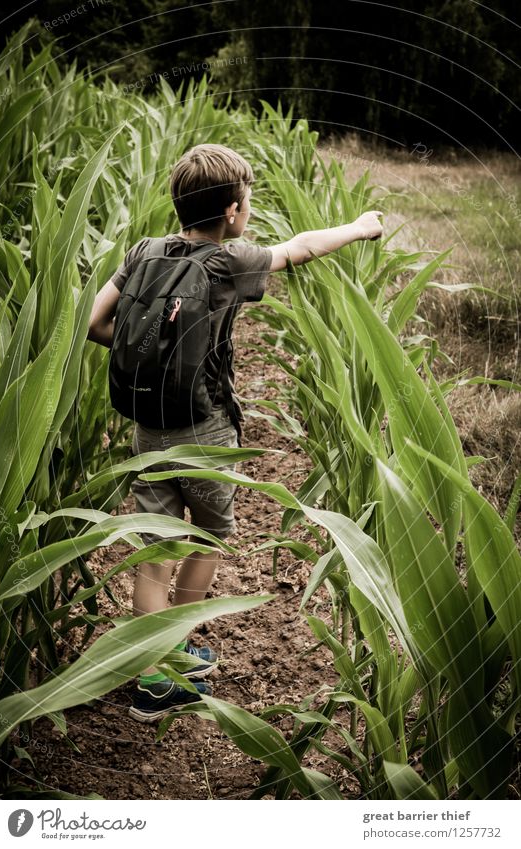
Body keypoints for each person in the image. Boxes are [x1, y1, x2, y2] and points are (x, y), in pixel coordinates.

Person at [87, 143, 383, 722]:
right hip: (206, 427)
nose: (248, 211)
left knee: (154, 549)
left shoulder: (144, 251)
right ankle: (182, 651)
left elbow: (98, 321)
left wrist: (151, 358)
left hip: (147, 429)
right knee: (209, 534)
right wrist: (358, 226)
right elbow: (300, 249)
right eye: (246, 202)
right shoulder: (228, 262)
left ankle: (154, 672)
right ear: (231, 211)